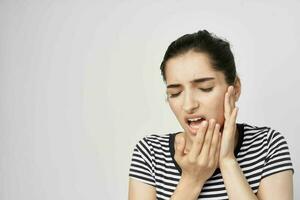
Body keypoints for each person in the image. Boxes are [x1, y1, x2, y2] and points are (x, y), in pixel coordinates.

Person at [128, 30, 294, 200]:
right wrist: (192, 179)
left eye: (205, 88)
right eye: (175, 92)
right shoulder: (150, 153)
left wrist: (227, 161)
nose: (188, 105)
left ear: (235, 88)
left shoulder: (267, 145)